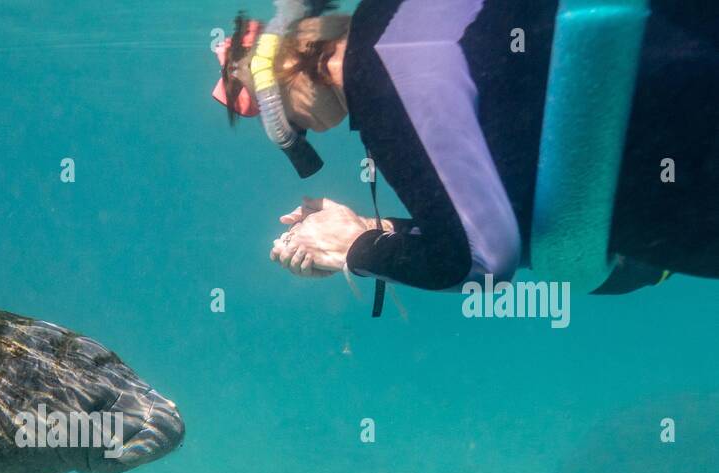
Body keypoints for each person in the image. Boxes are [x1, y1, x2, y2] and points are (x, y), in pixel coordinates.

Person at [213, 0, 719, 297]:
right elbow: (498, 181)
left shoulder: (381, 81)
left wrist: (353, 248)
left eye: (290, 124)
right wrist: (380, 229)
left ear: (285, 77)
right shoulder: (397, 15)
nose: (308, 133)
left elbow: (479, 260)